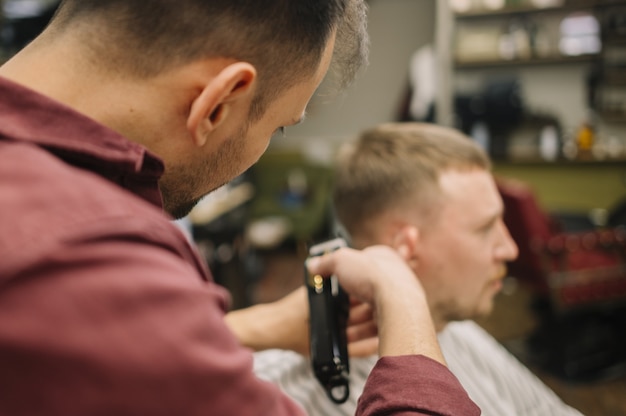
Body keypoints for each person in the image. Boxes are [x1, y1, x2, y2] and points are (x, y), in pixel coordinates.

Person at [0, 1, 480, 415]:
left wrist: (251, 327)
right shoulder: (88, 252)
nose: (269, 143)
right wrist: (399, 289)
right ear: (218, 103)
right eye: (279, 127)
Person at [253, 122, 584, 416]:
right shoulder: (277, 390)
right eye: (485, 229)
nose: (509, 248)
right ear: (404, 248)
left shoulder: (453, 326)